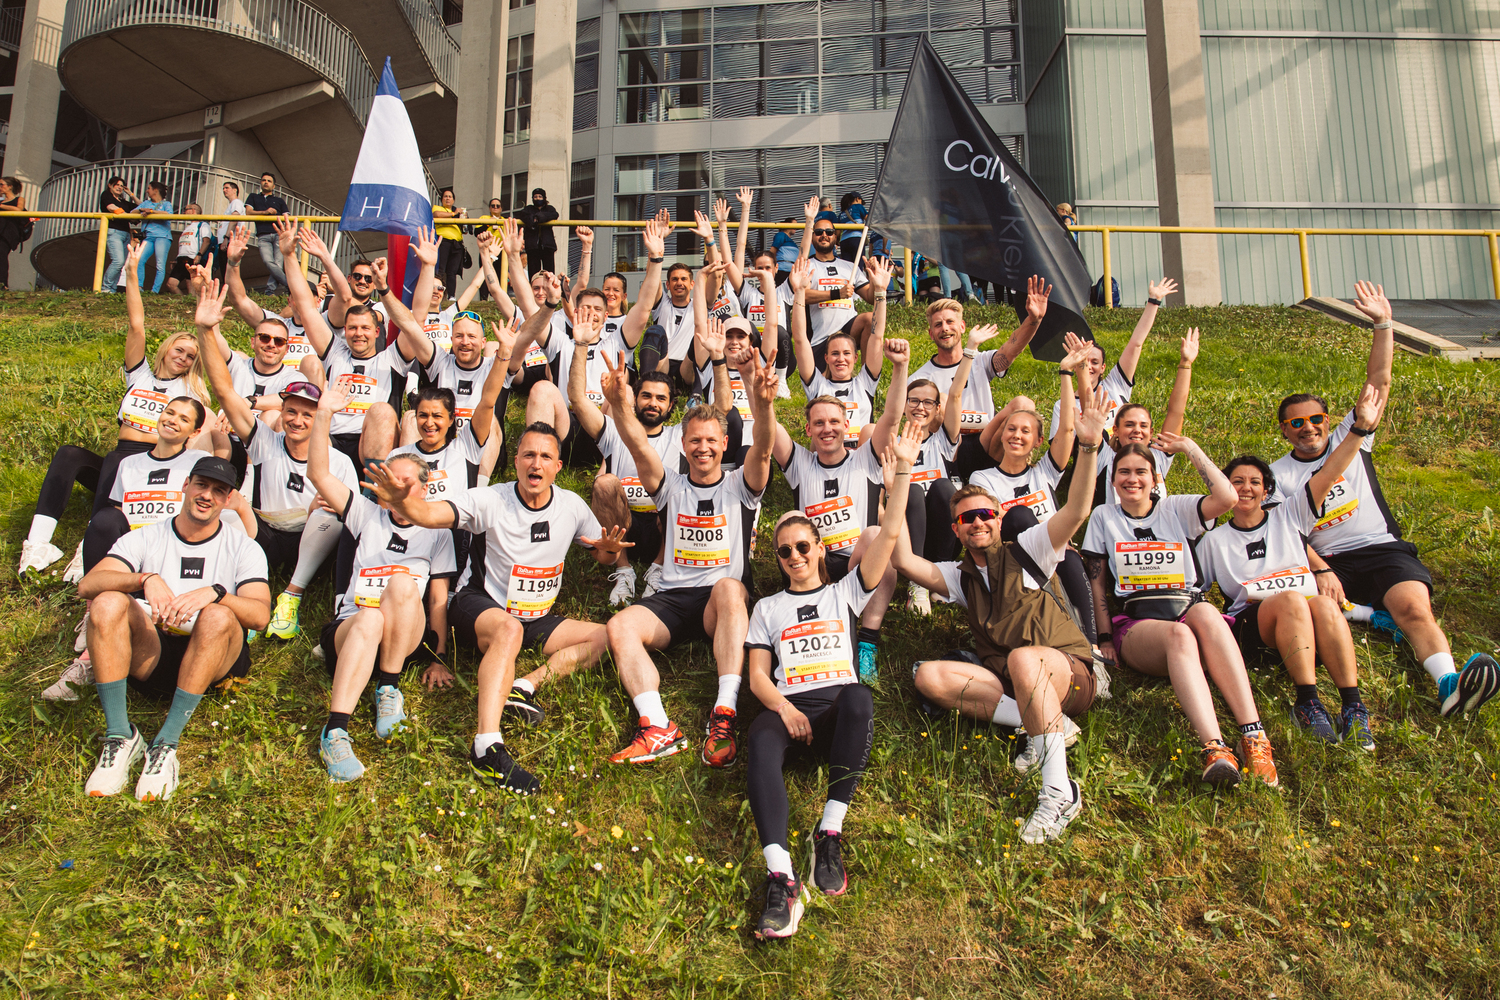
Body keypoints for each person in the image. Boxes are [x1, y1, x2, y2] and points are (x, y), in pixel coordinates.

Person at [1270, 281, 1500, 717]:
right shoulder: (1277, 474)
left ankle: (1449, 684)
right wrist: (1319, 568)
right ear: (1283, 430)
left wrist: (1383, 323)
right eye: (1296, 422)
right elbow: (1283, 531)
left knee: (1414, 609)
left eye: (1315, 418)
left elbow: (1379, 381)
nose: (1307, 427)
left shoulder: (1350, 438)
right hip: (1328, 561)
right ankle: (1368, 615)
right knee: (1304, 598)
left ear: (1327, 419)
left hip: (1382, 550)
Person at [897, 385, 1113, 843]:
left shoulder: (1030, 550)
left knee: (1023, 658)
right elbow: (903, 560)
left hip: (1068, 672)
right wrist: (900, 477)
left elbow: (1075, 510)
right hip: (1015, 681)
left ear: (999, 517)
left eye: (984, 515)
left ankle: (1058, 790)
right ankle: (1043, 724)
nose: (977, 523)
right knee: (929, 677)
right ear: (955, 529)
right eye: (966, 519)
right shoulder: (959, 575)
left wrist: (1090, 447)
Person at [365, 422, 630, 794]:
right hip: (480, 605)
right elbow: (429, 515)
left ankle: (524, 687)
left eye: (546, 457)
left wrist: (609, 550)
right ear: (517, 462)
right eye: (528, 455)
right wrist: (402, 500)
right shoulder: (489, 500)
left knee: (608, 635)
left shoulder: (571, 505)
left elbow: (599, 554)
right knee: (509, 630)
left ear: (557, 467)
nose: (536, 463)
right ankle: (486, 747)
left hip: (536, 615)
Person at [746, 422, 920, 940]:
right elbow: (757, 675)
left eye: (803, 546)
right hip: (788, 711)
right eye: (785, 551)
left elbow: (888, 535)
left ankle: (830, 830)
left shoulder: (846, 592)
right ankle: (781, 877)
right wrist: (785, 709)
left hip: (838, 715)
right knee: (757, 737)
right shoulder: (768, 607)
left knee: (861, 699)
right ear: (777, 559)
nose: (795, 556)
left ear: (821, 549)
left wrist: (903, 474)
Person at [600, 342, 779, 768]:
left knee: (732, 589)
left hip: (720, 600)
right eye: (695, 440)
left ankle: (724, 713)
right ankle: (658, 726)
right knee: (620, 626)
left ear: (725, 444)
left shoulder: (741, 484)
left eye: (711, 441)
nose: (703, 448)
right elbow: (638, 444)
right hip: (673, 598)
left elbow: (765, 448)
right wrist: (618, 402)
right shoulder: (671, 486)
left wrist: (765, 406)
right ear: (683, 445)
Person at [1082, 431, 1279, 788]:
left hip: (1187, 605)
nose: (1132, 479)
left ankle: (1254, 736)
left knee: (1204, 614)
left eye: (1141, 471)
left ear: (1155, 479)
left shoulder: (1177, 509)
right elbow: (1096, 581)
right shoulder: (1103, 517)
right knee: (1179, 634)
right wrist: (1104, 635)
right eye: (1123, 472)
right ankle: (1214, 748)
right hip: (1140, 623)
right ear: (1112, 480)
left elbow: (1228, 497)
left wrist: (1190, 448)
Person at [1197, 384, 1389, 750]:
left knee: (1321, 604)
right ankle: (1308, 701)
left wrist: (1359, 431)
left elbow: (1330, 470)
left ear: (1268, 491)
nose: (1247, 489)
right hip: (1254, 627)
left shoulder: (1289, 516)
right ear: (1224, 490)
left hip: (1305, 620)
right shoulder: (1213, 541)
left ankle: (1352, 705)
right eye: (1236, 482)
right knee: (1291, 600)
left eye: (1255, 482)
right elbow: (1196, 591)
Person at [77, 455, 271, 802]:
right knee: (107, 601)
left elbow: (259, 616)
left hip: (214, 660)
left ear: (228, 500)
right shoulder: (148, 536)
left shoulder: (244, 547)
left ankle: (166, 745)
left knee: (217, 615)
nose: (207, 495)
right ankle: (120, 736)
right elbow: (89, 584)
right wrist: (144, 578)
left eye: (219, 490)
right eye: (201, 484)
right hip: (153, 653)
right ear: (185, 485)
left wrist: (217, 593)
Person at [20, 243, 211, 578]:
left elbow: (207, 338)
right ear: (166, 350)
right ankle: (38, 544)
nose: (183, 357)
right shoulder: (139, 376)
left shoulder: (189, 390)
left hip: (152, 467)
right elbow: (137, 325)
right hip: (117, 460)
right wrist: (134, 272)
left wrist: (200, 297)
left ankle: (88, 548)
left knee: (118, 461)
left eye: (190, 356)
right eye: (179, 350)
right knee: (69, 454)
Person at [192, 279, 360, 642]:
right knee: (230, 511)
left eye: (307, 415)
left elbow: (355, 514)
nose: (298, 421)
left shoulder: (338, 460)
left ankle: (292, 595)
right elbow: (224, 391)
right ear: (282, 412)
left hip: (313, 538)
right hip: (266, 531)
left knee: (330, 512)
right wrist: (206, 331)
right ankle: (237, 595)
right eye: (292, 412)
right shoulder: (265, 441)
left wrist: (334, 503)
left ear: (319, 418)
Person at [308, 378, 458, 781]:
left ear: (424, 488)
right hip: (352, 631)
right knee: (372, 616)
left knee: (403, 584)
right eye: (388, 480)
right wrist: (323, 414)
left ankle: (388, 687)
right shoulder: (364, 514)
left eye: (404, 483)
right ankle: (335, 730)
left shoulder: (438, 531)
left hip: (404, 638)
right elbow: (319, 474)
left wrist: (438, 657)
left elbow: (438, 598)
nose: (394, 488)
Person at [565, 304, 727, 608]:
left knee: (680, 491)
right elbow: (576, 398)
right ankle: (624, 570)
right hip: (621, 525)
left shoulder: (680, 439)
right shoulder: (614, 431)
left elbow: (724, 408)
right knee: (604, 484)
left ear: (670, 406)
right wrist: (580, 345)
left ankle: (658, 567)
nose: (652, 403)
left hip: (665, 528)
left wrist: (718, 359)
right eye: (646, 395)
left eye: (661, 398)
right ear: (635, 398)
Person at [964, 335, 1098, 638]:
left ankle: (1091, 646)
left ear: (1038, 441)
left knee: (1070, 556)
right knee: (1020, 517)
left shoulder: (1045, 473)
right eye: (1011, 428)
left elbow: (1067, 428)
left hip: (1057, 556)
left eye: (1026, 431)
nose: (1016, 435)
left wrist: (1069, 372)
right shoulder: (983, 479)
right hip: (1014, 565)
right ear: (1001, 435)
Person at [771, 387, 894, 681]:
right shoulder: (800, 463)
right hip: (816, 567)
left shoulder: (865, 459)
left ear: (846, 425)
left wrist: (901, 368)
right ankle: (802, 610)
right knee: (789, 520)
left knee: (877, 535)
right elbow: (768, 426)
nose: (827, 429)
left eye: (834, 422)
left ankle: (867, 641)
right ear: (808, 430)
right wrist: (754, 387)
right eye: (819, 423)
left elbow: (890, 417)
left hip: (860, 567)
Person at [867, 338, 966, 613]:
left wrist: (968, 352)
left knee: (944, 486)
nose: (920, 407)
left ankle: (941, 573)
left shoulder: (942, 441)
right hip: (905, 534)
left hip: (942, 532)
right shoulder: (892, 441)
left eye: (928, 402)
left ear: (937, 409)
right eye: (914, 400)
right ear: (904, 402)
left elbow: (955, 395)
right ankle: (918, 583)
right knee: (908, 489)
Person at [911, 280, 1047, 480]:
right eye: (938, 325)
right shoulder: (920, 378)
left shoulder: (981, 360)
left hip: (986, 442)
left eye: (950, 322)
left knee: (1023, 404)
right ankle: (953, 474)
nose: (945, 328)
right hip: (946, 447)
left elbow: (1011, 349)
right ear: (932, 334)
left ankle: (1017, 472)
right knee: (939, 399)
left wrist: (1034, 320)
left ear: (962, 327)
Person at [1046, 277, 1179, 440]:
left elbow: (1136, 344)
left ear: (1103, 368)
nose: (1088, 366)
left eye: (1094, 362)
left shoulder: (1115, 385)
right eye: (1083, 361)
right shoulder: (1063, 406)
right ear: (1075, 365)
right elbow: (1060, 449)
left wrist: (1154, 301)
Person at [788, 256, 889, 450]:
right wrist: (799, 292)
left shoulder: (865, 383)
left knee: (871, 430)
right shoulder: (817, 384)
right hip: (828, 453)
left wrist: (880, 292)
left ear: (856, 357)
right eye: (834, 354)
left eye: (846, 353)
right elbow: (800, 339)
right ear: (826, 358)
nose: (840, 359)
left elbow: (877, 336)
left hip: (860, 458)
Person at [1090, 328, 1199, 506]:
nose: (1137, 430)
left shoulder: (1159, 455)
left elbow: (1176, 411)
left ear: (1151, 431)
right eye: (1130, 425)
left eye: (1143, 425)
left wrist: (1186, 363)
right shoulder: (1105, 457)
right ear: (1115, 430)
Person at [800, 197, 876, 370]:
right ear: (812, 237)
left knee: (869, 319)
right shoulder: (806, 265)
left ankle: (866, 377)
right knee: (826, 393)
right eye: (818, 232)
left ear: (836, 236)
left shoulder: (850, 266)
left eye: (829, 232)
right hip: (822, 339)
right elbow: (801, 295)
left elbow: (871, 298)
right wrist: (836, 293)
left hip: (848, 330)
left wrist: (875, 280)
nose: (824, 235)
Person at [244, 173, 290, 294]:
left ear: (273, 185)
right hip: (262, 235)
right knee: (267, 261)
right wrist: (265, 212)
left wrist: (287, 233)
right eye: (263, 180)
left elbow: (286, 217)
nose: (266, 182)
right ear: (260, 183)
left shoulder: (279, 200)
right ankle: (289, 285)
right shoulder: (253, 197)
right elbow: (248, 212)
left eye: (269, 181)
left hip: (278, 234)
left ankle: (270, 291)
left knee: (278, 264)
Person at [99, 176, 139, 291]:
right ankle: (105, 288)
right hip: (114, 231)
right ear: (110, 185)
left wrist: (131, 194)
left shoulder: (123, 201)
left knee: (121, 263)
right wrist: (128, 216)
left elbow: (141, 206)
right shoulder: (106, 195)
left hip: (126, 234)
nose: (120, 187)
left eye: (122, 186)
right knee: (118, 260)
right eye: (117, 185)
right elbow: (111, 208)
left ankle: (112, 289)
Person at [134, 181, 175, 294]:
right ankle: (139, 287)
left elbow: (169, 214)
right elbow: (133, 212)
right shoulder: (146, 203)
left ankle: (154, 291)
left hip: (162, 236)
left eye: (149, 188)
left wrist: (151, 212)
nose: (147, 191)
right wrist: (142, 210)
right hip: (148, 236)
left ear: (155, 190)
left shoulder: (166, 204)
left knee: (160, 265)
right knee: (139, 260)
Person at [165, 205, 213, 294]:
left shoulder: (203, 225)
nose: (184, 212)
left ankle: (190, 304)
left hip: (193, 257)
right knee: (171, 284)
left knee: (191, 287)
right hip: (182, 258)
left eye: (186, 209)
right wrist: (177, 259)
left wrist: (199, 255)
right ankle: (184, 302)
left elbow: (206, 241)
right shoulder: (188, 227)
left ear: (193, 211)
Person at [432, 187, 468, 294]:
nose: (448, 199)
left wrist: (463, 218)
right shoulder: (438, 208)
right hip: (443, 241)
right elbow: (437, 215)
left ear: (453, 200)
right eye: (445, 196)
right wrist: (454, 213)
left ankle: (451, 296)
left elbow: (465, 231)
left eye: (450, 197)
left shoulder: (457, 213)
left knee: (452, 271)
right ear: (442, 199)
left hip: (456, 244)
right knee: (440, 270)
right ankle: (435, 292)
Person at [519, 188, 559, 277]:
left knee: (549, 274)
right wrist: (533, 220)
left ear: (544, 198)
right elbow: (523, 215)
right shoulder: (528, 209)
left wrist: (538, 218)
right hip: (533, 247)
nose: (537, 199)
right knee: (534, 274)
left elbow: (555, 215)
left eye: (540, 196)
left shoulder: (550, 209)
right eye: (535, 197)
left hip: (547, 246)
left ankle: (549, 290)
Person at [0, 176, 28, 289]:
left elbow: (18, 210)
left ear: (10, 186)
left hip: (8, 234)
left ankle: (2, 284)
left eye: (2, 184)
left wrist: (1, 206)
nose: (0, 187)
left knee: (1, 255)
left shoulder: (18, 199)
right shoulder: (1, 200)